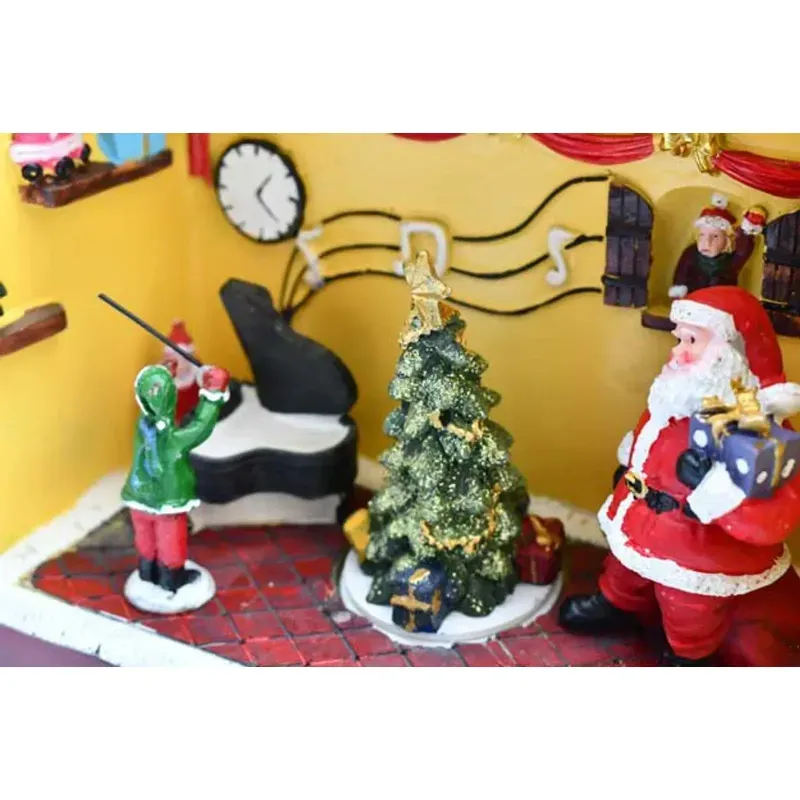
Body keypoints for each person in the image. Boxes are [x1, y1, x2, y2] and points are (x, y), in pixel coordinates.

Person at [559, 286, 800, 665]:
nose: (677, 352)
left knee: (689, 608)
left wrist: (712, 487)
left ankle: (690, 657)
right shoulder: (675, 397)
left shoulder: (756, 427)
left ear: (730, 354)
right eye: (679, 339)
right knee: (624, 569)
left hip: (698, 549)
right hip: (640, 519)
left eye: (692, 341)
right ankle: (618, 604)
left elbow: (775, 509)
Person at [121, 360, 230, 599]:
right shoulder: (174, 440)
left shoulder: (143, 425)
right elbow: (201, 425)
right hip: (166, 501)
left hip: (138, 497)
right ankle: (171, 579)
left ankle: (147, 571)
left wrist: (163, 377)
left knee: (145, 537)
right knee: (170, 539)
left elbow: (152, 401)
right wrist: (213, 395)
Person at [668, 194, 766, 300]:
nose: (707, 242)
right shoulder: (691, 254)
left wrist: (748, 229)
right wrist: (679, 296)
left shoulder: (729, 260)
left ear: (727, 241)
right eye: (702, 235)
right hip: (691, 301)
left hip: (719, 303)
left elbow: (743, 251)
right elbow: (681, 275)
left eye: (715, 236)